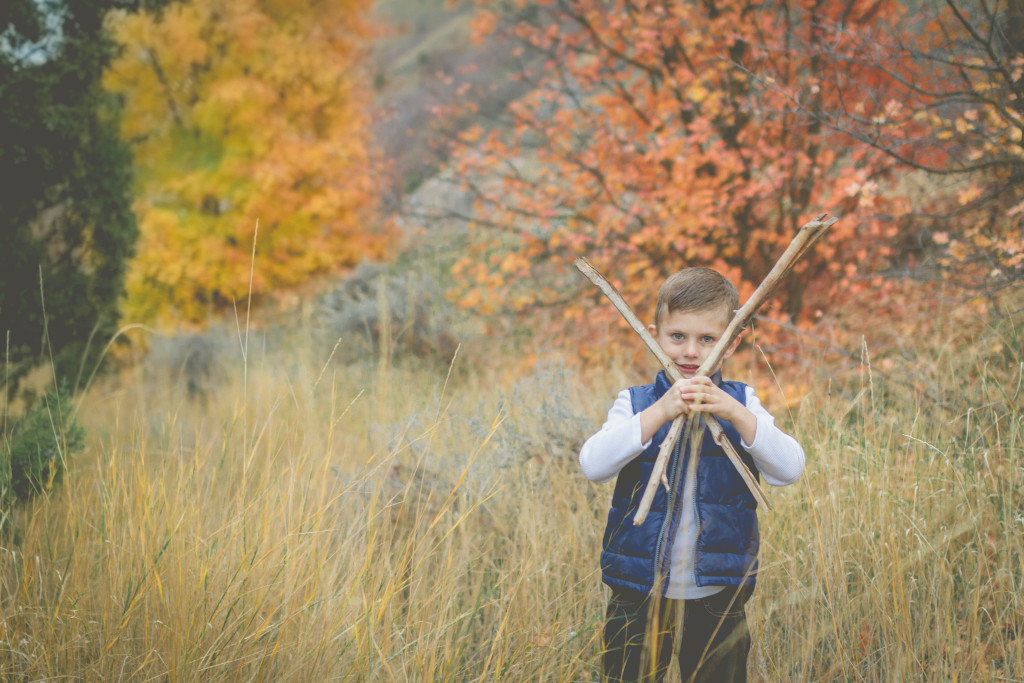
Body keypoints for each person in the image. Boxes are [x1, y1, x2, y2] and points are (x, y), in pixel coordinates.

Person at [579, 267, 805, 683]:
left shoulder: (742, 401)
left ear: (733, 340)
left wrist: (733, 413)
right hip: (638, 589)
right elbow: (593, 464)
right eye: (677, 336)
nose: (690, 353)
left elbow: (789, 469)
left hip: (718, 589)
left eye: (708, 339)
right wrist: (660, 412)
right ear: (654, 334)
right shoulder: (635, 403)